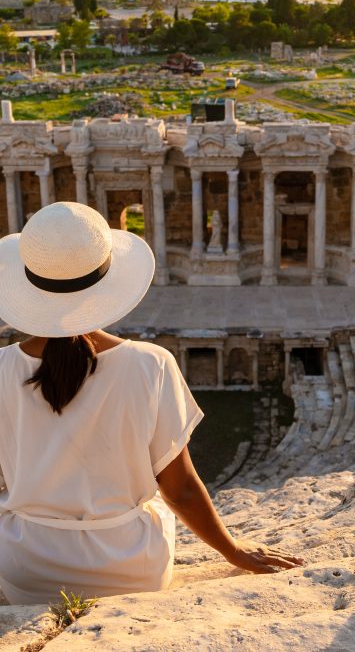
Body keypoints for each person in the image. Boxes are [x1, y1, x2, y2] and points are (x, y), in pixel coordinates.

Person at [0, 202, 302, 605]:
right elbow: (179, 490)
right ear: (103, 285)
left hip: (29, 569)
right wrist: (234, 551)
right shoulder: (149, 363)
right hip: (130, 567)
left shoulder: (2, 368)